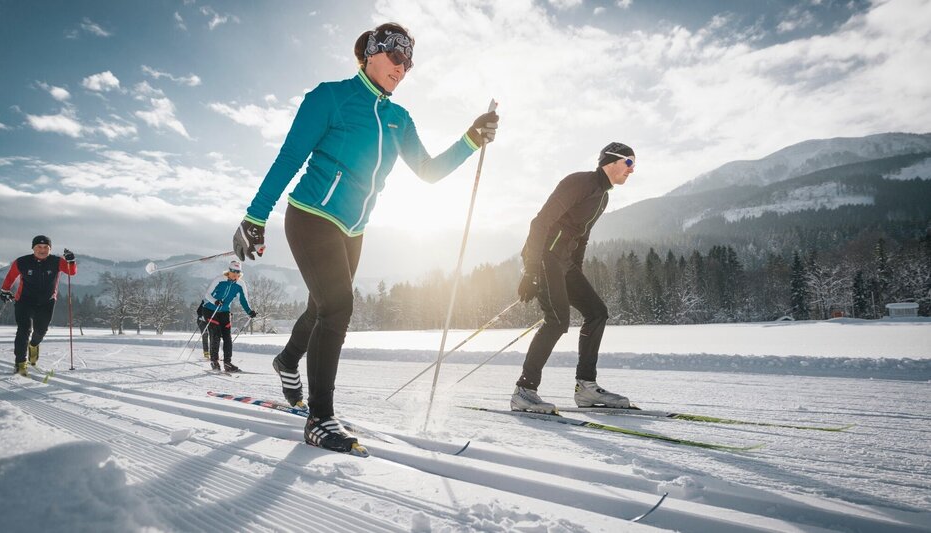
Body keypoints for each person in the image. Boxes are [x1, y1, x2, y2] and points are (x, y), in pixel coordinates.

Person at [232, 22, 499, 453]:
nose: (403, 67)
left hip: (353, 229)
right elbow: (288, 158)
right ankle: (319, 419)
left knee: (321, 306)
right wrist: (254, 216)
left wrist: (471, 138)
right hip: (311, 214)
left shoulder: (399, 119)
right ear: (371, 53)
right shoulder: (331, 97)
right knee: (338, 307)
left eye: (409, 61)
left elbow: (428, 172)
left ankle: (286, 360)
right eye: (396, 56)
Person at [512, 142, 636, 413]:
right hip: (544, 255)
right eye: (629, 163)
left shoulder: (602, 197)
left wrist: (575, 271)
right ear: (611, 161)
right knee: (557, 321)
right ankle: (524, 390)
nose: (632, 170)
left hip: (564, 263)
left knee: (597, 312)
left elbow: (581, 237)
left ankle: (586, 388)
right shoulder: (579, 182)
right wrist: (532, 270)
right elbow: (540, 222)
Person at [0, 235, 77, 376]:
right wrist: (5, 290)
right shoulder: (22, 261)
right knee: (24, 330)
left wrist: (71, 261)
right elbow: (11, 276)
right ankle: (20, 364)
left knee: (41, 330)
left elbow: (71, 272)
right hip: (24, 300)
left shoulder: (57, 261)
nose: (42, 250)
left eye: (45, 247)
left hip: (47, 301)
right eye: (39, 247)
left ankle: (34, 345)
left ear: (50, 249)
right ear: (33, 248)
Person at [201, 260, 256, 373]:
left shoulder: (241, 284)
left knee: (227, 337)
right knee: (215, 334)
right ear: (229, 271)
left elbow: (244, 300)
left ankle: (227, 363)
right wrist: (215, 301)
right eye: (233, 271)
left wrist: (249, 311)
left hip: (225, 311)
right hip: (210, 309)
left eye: (238, 272)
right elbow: (207, 294)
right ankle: (214, 361)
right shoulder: (219, 279)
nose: (235, 274)